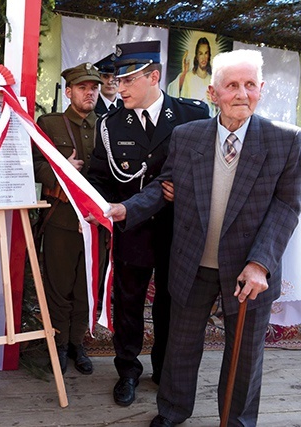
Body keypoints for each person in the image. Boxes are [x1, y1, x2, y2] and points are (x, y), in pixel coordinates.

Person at [107, 49, 301, 427]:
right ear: (214, 93)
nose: (241, 93)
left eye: (249, 85)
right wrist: (127, 209)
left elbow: (286, 207)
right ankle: (173, 411)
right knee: (180, 346)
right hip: (193, 261)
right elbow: (165, 185)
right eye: (232, 85)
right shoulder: (187, 135)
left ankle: (237, 421)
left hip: (250, 270)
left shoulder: (287, 141)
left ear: (260, 89)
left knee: (245, 354)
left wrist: (261, 264)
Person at [87, 40, 209, 407]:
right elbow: (98, 176)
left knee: (172, 303)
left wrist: (183, 190)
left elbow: (207, 170)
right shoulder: (110, 124)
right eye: (116, 80)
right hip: (132, 227)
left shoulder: (192, 115)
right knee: (128, 302)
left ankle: (165, 368)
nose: (118, 88)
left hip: (178, 229)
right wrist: (101, 205)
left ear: (154, 77)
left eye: (128, 80)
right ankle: (127, 370)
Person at [33, 63, 103, 375]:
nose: (90, 93)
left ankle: (77, 343)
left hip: (96, 222)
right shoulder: (49, 123)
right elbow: (33, 163)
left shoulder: (105, 125)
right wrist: (60, 169)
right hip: (61, 218)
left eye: (94, 88)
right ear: (69, 91)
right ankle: (59, 345)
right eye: (83, 87)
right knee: (59, 286)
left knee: (86, 287)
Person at [167, 37, 215, 115]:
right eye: (200, 53)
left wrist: (215, 101)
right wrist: (183, 74)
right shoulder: (188, 77)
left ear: (209, 55)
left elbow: (217, 111)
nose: (203, 57)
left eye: (206, 53)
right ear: (196, 56)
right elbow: (171, 92)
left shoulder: (212, 80)